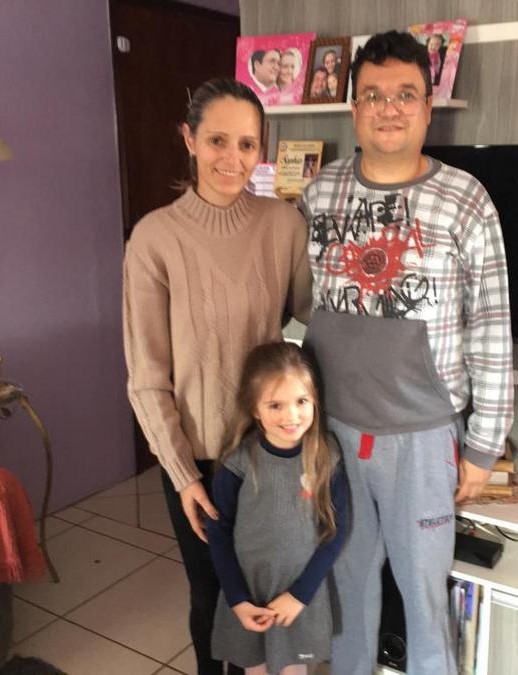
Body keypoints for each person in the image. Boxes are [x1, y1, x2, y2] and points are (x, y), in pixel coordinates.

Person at [299, 30, 514, 674]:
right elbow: (296, 305)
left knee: (423, 602)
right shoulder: (318, 194)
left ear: (427, 107)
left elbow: (491, 324)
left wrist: (484, 445)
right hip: (333, 433)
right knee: (345, 592)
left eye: (405, 95)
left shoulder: (466, 200)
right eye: (373, 95)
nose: (388, 108)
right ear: (354, 109)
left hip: (422, 440)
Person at [123, 78, 312, 675]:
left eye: (247, 144)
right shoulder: (155, 238)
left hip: (273, 451)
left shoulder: (284, 225)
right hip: (201, 461)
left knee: (271, 591)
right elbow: (146, 377)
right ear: (189, 139)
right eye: (217, 141)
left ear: (263, 149)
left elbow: (319, 316)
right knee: (213, 596)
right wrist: (182, 475)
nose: (233, 158)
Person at [206, 341, 348, 675]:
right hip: (248, 590)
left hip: (299, 592)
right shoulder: (239, 461)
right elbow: (219, 533)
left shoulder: (327, 455)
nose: (291, 416)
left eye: (301, 401)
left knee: (293, 669)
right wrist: (237, 598)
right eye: (275, 405)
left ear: (315, 400)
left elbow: (337, 530)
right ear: (255, 408)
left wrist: (300, 595)